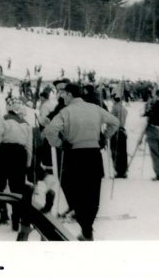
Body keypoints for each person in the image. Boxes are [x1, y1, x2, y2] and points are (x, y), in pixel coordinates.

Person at [43, 83, 119, 241]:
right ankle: (87, 229)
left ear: (70, 94)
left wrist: (59, 143)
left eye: (63, 93)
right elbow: (115, 122)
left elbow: (50, 130)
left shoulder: (66, 111)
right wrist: (104, 137)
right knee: (92, 194)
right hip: (93, 155)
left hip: (74, 155)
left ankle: (86, 228)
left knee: (76, 193)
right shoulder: (95, 108)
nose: (62, 96)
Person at [0, 97, 33, 230]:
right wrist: (28, 163)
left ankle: (3, 214)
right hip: (20, 155)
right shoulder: (26, 124)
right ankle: (15, 221)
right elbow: (29, 146)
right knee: (17, 188)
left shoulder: (3, 119)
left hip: (4, 153)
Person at [110, 92, 129, 178]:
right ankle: (124, 170)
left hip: (115, 131)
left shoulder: (115, 108)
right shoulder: (124, 108)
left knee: (115, 151)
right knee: (123, 152)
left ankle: (118, 170)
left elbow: (110, 119)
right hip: (122, 130)